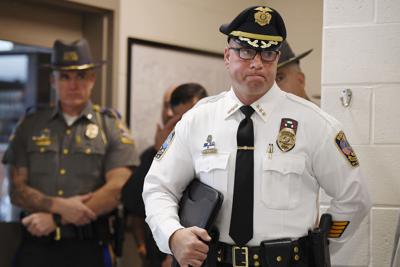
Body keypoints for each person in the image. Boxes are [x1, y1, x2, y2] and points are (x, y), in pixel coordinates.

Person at [143, 5, 371, 267]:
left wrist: (321, 244)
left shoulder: (314, 124)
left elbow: (355, 197)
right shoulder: (198, 120)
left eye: (268, 53)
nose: (257, 63)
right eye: (246, 51)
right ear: (228, 56)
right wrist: (173, 235)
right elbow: (158, 188)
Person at [2, 38, 138, 267]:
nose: (73, 84)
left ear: (92, 78)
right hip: (36, 248)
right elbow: (16, 190)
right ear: (53, 80)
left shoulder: (110, 125)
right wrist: (59, 206)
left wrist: (56, 219)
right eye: (65, 76)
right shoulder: (29, 125)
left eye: (81, 76)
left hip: (88, 249)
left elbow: (117, 189)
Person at [122, 83, 208, 267]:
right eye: (168, 107)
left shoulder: (211, 156)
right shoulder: (152, 153)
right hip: (157, 257)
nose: (170, 115)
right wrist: (158, 151)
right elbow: (131, 202)